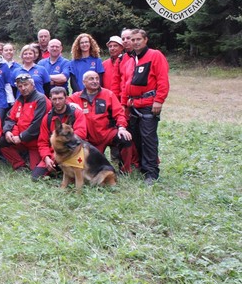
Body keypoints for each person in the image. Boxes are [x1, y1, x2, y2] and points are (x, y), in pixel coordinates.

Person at [122, 28, 170, 185]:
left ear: (146, 40)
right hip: (133, 105)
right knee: (137, 138)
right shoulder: (130, 60)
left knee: (148, 139)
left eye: (138, 39)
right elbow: (126, 84)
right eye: (132, 39)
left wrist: (159, 100)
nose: (135, 42)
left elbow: (162, 79)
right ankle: (143, 167)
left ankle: (151, 173)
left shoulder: (155, 56)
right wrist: (124, 104)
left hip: (149, 105)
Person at [68, 71, 133, 173]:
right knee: (90, 170)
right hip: (89, 139)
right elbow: (63, 103)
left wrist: (122, 127)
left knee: (125, 138)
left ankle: (125, 170)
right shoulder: (76, 97)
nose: (95, 81)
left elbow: (119, 113)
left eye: (97, 78)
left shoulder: (108, 94)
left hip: (107, 133)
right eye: (91, 79)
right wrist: (71, 105)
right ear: (84, 82)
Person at [35, 87, 87, 181]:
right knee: (36, 177)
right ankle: (59, 170)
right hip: (54, 153)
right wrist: (46, 157)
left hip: (73, 151)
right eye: (54, 99)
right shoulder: (47, 118)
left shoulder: (76, 113)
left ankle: (65, 172)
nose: (57, 102)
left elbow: (81, 134)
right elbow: (42, 142)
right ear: (50, 99)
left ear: (66, 98)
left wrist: (63, 141)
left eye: (60, 98)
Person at [0, 74, 49, 172]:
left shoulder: (41, 99)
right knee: (2, 141)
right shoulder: (20, 99)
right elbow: (10, 118)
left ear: (32, 85)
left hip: (36, 141)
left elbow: (37, 125)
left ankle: (30, 160)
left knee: (35, 170)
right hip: (20, 139)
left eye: (26, 85)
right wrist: (7, 131)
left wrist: (21, 137)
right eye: (20, 86)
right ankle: (20, 165)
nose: (23, 88)